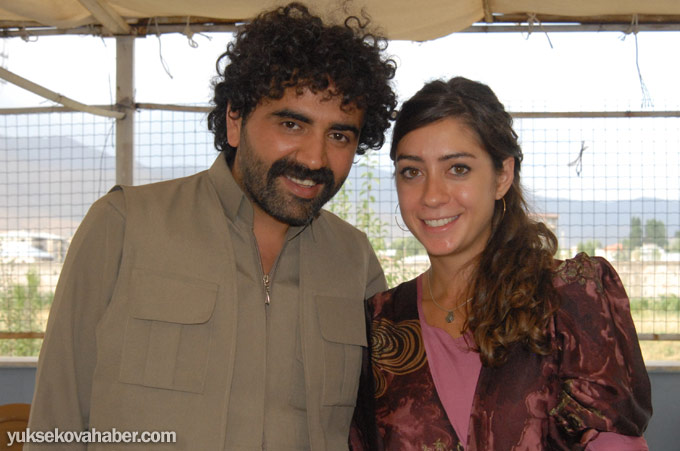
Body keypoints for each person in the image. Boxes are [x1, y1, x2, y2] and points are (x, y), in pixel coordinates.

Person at [27, 3, 397, 449]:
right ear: (235, 120)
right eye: (291, 123)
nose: (315, 158)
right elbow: (57, 416)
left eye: (339, 135)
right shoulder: (124, 226)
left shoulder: (355, 261)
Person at [350, 77, 652, 450]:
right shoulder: (380, 323)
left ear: (502, 176)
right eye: (412, 171)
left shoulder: (571, 299)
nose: (432, 196)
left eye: (457, 168)